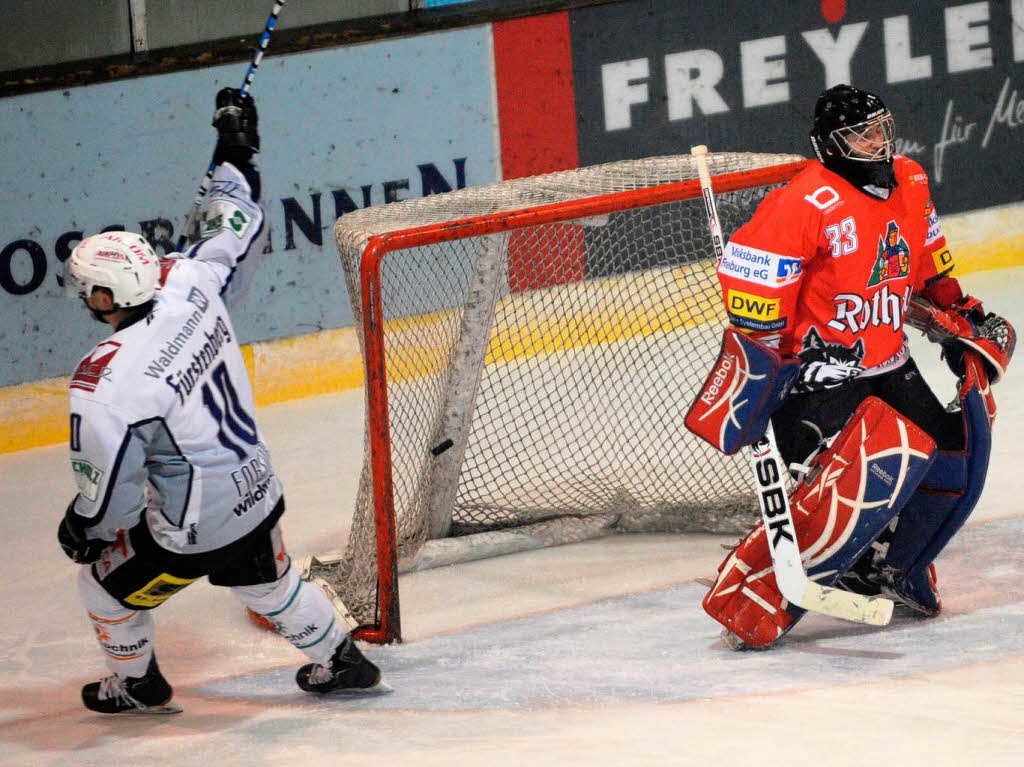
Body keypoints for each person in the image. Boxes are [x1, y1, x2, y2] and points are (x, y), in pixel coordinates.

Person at [60, 88, 385, 713]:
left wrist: (84, 527)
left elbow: (111, 495)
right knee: (270, 584)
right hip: (257, 485)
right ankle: (341, 659)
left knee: (102, 591)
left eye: (90, 290)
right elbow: (234, 218)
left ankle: (136, 683)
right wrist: (238, 147)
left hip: (191, 527)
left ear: (105, 297)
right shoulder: (191, 281)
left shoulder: (105, 378)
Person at [694, 84, 1015, 648]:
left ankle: (893, 568)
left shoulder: (910, 180)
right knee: (853, 481)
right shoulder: (804, 200)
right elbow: (752, 289)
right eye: (861, 134)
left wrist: (958, 311)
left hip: (890, 360)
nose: (878, 141)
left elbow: (929, 265)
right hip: (824, 377)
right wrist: (772, 367)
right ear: (829, 145)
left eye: (880, 128)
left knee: (952, 460)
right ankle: (785, 576)